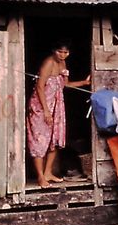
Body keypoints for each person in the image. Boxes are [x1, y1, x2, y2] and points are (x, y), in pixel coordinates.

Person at [27, 40, 90, 188]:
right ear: (53, 50)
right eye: (59, 52)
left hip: (56, 107)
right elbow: (40, 87)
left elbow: (65, 85)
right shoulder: (48, 63)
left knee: (54, 139)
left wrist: (84, 83)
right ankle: (40, 177)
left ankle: (48, 172)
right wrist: (46, 111)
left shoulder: (62, 64)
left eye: (66, 52)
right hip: (41, 107)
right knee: (39, 140)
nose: (62, 55)